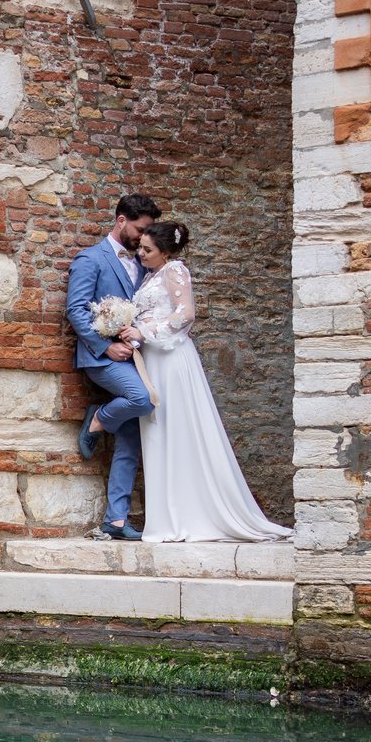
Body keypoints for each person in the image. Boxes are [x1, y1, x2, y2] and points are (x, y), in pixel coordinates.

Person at [129, 221, 293, 544]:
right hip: (154, 360)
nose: (141, 254)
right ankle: (167, 515)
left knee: (179, 430)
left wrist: (144, 331)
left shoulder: (175, 271)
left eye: (147, 249)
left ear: (166, 252)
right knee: (159, 431)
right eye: (141, 248)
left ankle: (192, 514)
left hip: (171, 360)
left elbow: (186, 314)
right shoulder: (151, 275)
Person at [66, 194, 158, 541]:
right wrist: (105, 346)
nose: (143, 236)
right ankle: (99, 417)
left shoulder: (145, 263)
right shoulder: (91, 259)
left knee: (131, 440)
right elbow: (76, 310)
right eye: (140, 228)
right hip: (100, 359)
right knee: (142, 399)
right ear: (121, 220)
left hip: (136, 358)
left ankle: (115, 520)